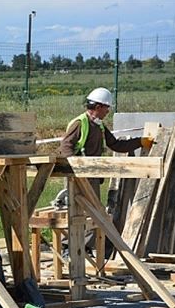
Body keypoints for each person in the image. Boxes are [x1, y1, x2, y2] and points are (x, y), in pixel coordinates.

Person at [58, 87, 153, 257]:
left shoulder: (99, 126)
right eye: (106, 107)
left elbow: (116, 145)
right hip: (78, 176)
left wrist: (140, 142)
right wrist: (76, 169)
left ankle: (83, 248)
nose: (108, 111)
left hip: (92, 175)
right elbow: (65, 148)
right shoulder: (80, 123)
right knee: (76, 211)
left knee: (92, 212)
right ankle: (68, 248)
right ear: (98, 106)